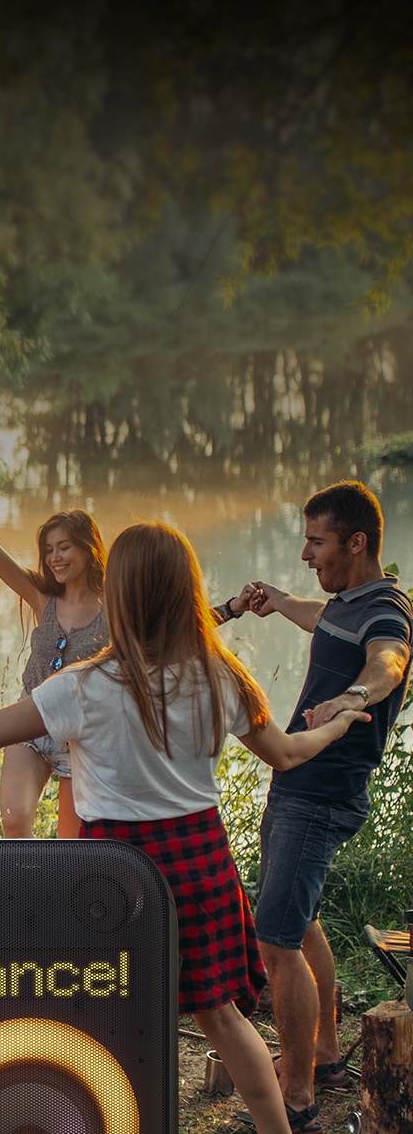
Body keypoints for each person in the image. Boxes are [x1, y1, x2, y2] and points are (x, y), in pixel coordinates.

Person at [0, 520, 371, 1134]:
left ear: (120, 596)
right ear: (187, 591)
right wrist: (340, 722)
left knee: (97, 1022)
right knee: (225, 1019)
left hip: (113, 877)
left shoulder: (83, 686)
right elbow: (287, 753)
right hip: (201, 862)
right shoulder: (220, 674)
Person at [246, 480, 412, 1131]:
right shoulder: (351, 600)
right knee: (301, 916)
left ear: (356, 541)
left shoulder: (388, 609)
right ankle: (324, 1053)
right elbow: (327, 622)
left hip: (318, 793)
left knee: (276, 937)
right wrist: (280, 601)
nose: (307, 554)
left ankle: (296, 1093)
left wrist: (354, 697)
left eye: (316, 541)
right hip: (300, 783)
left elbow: (389, 659)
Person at [0, 463, 108, 838]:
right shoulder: (42, 597)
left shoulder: (114, 609)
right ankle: (26, 892)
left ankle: (62, 897)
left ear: (88, 548)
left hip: (80, 736)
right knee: (14, 821)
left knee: (73, 845)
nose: (55, 558)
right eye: (49, 550)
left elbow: (169, 628)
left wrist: (231, 609)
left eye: (64, 547)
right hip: (29, 725)